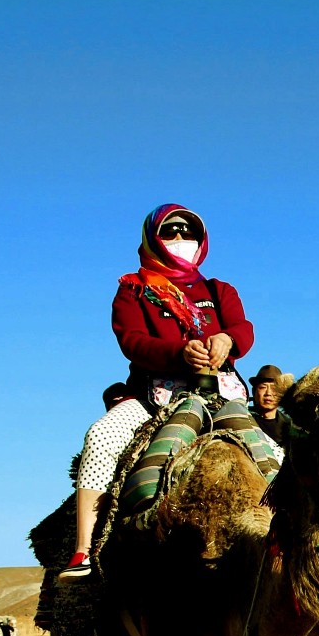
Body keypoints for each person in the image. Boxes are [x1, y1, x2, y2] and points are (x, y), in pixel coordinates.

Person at [59, 205, 256, 579]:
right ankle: (84, 550)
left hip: (221, 393)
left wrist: (226, 339)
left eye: (189, 233)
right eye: (171, 232)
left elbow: (244, 329)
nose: (181, 240)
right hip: (154, 397)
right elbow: (132, 341)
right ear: (153, 238)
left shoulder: (220, 290)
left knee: (278, 455)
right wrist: (178, 354)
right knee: (101, 437)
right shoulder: (133, 290)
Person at [250, 363, 289, 447]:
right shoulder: (243, 418)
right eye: (263, 387)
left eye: (274, 388)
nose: (268, 393)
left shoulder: (289, 427)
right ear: (254, 392)